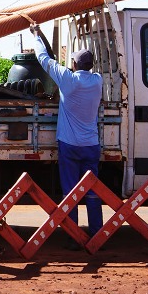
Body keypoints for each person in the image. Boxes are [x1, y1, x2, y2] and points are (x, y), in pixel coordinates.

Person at [31, 25, 104, 235]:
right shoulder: (97, 81)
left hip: (69, 145)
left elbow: (43, 58)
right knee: (92, 191)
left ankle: (73, 236)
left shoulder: (68, 79)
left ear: (74, 64)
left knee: (70, 193)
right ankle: (96, 232)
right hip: (91, 145)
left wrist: (37, 36)